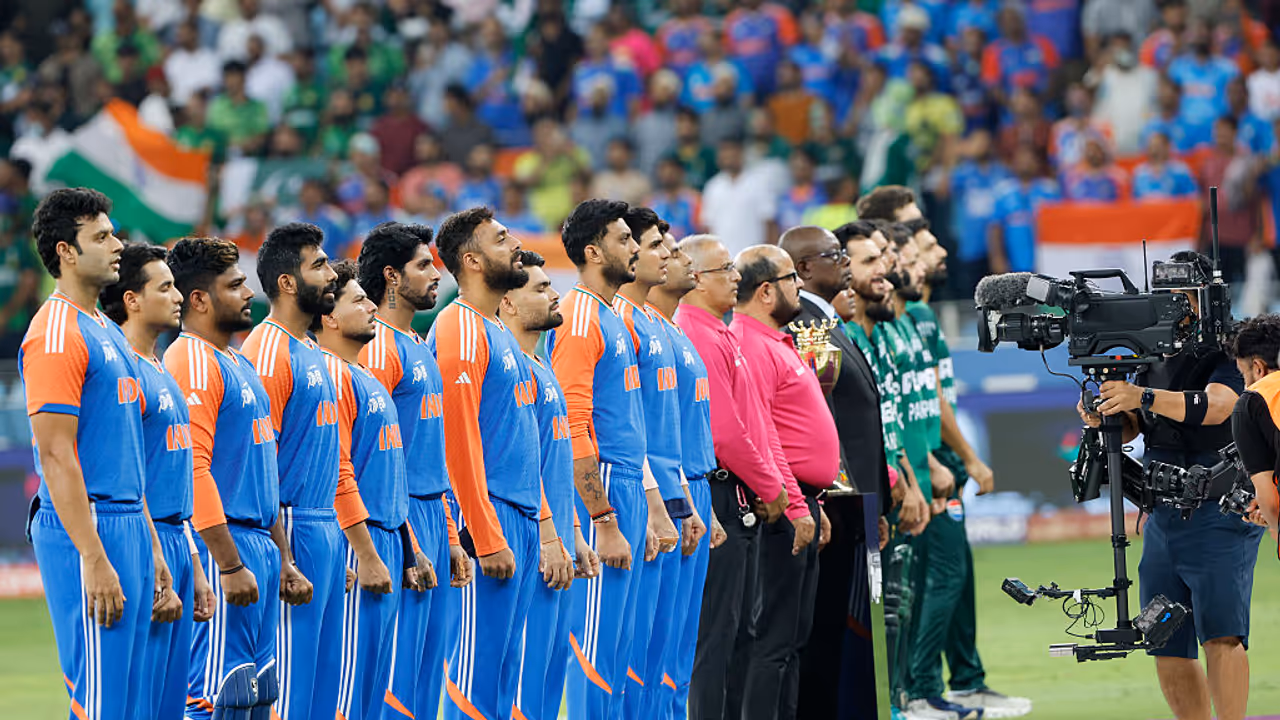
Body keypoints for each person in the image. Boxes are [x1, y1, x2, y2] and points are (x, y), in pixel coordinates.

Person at [1078, 251, 1259, 720]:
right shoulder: (1152, 346)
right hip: (1161, 511)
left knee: (1222, 632)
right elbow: (1140, 423)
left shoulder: (1229, 345)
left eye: (1183, 294)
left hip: (1221, 508)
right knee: (1163, 636)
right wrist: (1114, 412)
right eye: (1164, 294)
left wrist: (1143, 395)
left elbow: (1221, 406)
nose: (1173, 303)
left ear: (1207, 299)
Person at [21, 189, 173, 720]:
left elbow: (129, 454)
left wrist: (150, 545)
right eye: (102, 237)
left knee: (133, 703)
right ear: (66, 251)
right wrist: (92, 554)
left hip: (129, 520)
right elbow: (56, 454)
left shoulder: (105, 329)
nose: (118, 245)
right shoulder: (57, 333)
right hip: (90, 525)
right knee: (102, 701)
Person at [429, 207, 562, 720]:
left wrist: (544, 528)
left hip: (522, 518)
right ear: (473, 260)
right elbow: (457, 442)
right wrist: (484, 536)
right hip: (491, 520)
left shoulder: (499, 334)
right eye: (502, 239)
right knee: (473, 683)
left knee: (504, 678)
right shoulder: (460, 328)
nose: (515, 244)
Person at [241, 223, 376, 720]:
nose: (329, 274)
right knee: (290, 690)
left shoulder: (312, 354)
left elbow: (333, 461)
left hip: (321, 527)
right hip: (291, 526)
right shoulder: (268, 351)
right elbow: (261, 463)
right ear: (288, 283)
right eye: (318, 265)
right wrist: (284, 553)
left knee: (325, 690)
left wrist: (337, 541)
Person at [901, 219, 1032, 718]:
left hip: (933, 460)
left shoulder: (921, 315)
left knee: (953, 576)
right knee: (941, 576)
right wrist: (965, 459)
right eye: (923, 245)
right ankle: (922, 688)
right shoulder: (912, 317)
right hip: (925, 463)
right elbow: (929, 401)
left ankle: (964, 681)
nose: (938, 250)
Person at [675, 235, 791, 720]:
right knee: (716, 637)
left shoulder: (717, 329)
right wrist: (771, 486)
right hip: (719, 492)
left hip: (734, 491)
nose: (736, 277)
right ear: (696, 279)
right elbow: (725, 430)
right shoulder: (699, 332)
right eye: (725, 269)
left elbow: (751, 423)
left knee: (738, 630)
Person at [357, 222, 470, 719]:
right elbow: (374, 459)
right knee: (394, 685)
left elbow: (431, 458)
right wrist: (407, 544)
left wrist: (447, 534)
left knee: (427, 682)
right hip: (397, 524)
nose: (435, 275)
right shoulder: (379, 346)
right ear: (391, 276)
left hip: (429, 515)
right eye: (423, 265)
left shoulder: (416, 343)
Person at [781, 225, 894, 719]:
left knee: (861, 625)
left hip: (859, 506)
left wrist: (879, 502)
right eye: (834, 255)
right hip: (838, 507)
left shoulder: (829, 323)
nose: (844, 261)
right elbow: (819, 421)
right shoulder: (806, 326)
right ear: (803, 269)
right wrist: (835, 499)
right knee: (838, 627)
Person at [166, 236, 281, 720]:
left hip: (258, 543)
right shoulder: (192, 358)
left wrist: (283, 556)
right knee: (213, 696)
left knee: (255, 698)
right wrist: (228, 564)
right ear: (199, 299)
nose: (248, 292)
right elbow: (195, 468)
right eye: (235, 285)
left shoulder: (239, 362)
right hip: (222, 544)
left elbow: (265, 474)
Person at [99, 243, 214, 719]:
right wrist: (156, 556)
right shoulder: (122, 371)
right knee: (132, 698)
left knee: (170, 702)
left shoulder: (160, 368)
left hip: (175, 539)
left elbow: (173, 482)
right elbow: (132, 478)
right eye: (164, 287)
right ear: (131, 300)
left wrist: (195, 565)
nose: (178, 296)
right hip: (145, 540)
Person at [547, 199, 649, 720]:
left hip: (627, 481)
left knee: (620, 652)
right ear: (593, 251)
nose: (634, 248)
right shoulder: (580, 317)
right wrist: (601, 518)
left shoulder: (614, 316)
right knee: (593, 649)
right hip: (603, 484)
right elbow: (572, 423)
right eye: (624, 238)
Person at [731, 244, 831, 720]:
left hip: (801, 501)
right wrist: (794, 503)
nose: (801, 286)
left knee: (793, 639)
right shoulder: (750, 343)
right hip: (778, 509)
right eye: (793, 278)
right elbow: (763, 434)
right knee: (772, 640)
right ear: (767, 290)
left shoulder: (773, 339)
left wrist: (815, 500)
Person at [502, 249, 600, 720]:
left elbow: (554, 464)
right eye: (540, 289)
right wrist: (548, 536)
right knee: (521, 677)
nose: (554, 292)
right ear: (508, 305)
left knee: (548, 677)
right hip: (533, 539)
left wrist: (576, 534)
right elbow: (523, 467)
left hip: (560, 536)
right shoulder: (511, 370)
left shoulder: (542, 367)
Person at [315, 260, 414, 720]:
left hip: (387, 539)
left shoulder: (363, 374)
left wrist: (407, 548)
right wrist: (367, 552)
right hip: (361, 543)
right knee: (347, 691)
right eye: (358, 300)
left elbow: (388, 471)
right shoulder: (332, 375)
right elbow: (338, 470)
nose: (373, 305)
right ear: (329, 316)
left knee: (375, 687)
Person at [613, 209, 687, 720]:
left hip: (670, 488)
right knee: (627, 650)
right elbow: (612, 428)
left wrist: (680, 495)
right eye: (659, 245)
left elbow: (666, 430)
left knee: (668, 646)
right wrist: (655, 499)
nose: (666, 255)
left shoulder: (654, 324)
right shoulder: (614, 319)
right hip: (632, 490)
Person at [647, 230, 719, 720]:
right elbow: (641, 433)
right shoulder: (636, 327)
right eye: (668, 251)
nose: (680, 259)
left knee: (677, 646)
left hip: (691, 488)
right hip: (656, 495)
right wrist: (670, 501)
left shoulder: (672, 332)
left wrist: (698, 501)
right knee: (646, 648)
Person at [1229, 314, 1280, 540]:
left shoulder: (1251, 402)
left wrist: (1272, 520)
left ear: (1258, 367)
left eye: (1243, 374)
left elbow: (1270, 503)